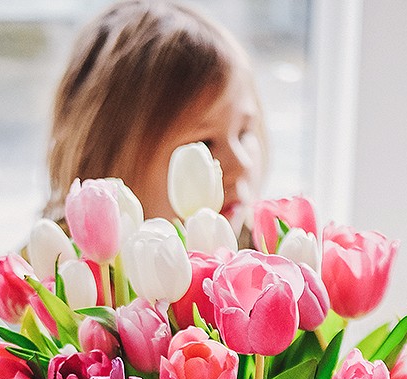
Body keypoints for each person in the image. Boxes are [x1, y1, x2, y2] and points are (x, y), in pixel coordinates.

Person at [42, 0, 266, 231]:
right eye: (204, 143)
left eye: (244, 133)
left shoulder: (269, 255)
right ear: (108, 163)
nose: (242, 165)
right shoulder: (48, 261)